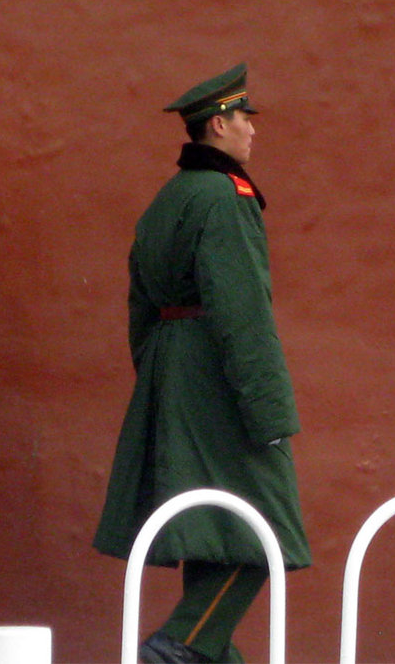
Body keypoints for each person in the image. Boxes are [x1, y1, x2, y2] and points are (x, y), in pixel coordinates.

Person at [93, 63, 311, 664]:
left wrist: (162, 379)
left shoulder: (167, 200)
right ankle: (177, 648)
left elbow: (140, 307)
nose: (252, 131)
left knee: (214, 533)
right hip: (217, 373)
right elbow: (242, 310)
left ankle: (198, 651)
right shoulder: (224, 195)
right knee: (263, 530)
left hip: (171, 367)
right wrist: (267, 406)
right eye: (245, 118)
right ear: (219, 124)